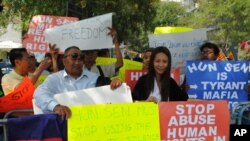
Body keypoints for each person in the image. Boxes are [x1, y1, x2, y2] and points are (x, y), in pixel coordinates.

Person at [34, 46, 122, 119]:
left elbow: (111, 91)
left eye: (81, 59)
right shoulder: (54, 79)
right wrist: (55, 107)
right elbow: (39, 94)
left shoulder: (95, 78)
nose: (77, 62)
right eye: (73, 57)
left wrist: (115, 83)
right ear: (64, 61)